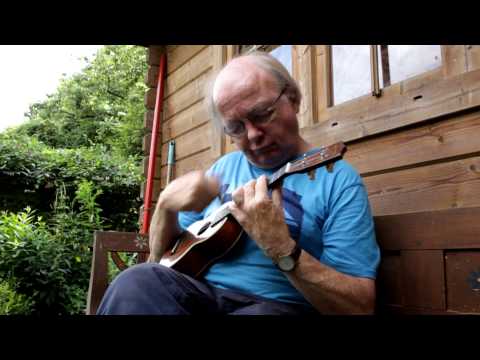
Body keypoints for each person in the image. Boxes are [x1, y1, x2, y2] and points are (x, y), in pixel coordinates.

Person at [97, 51, 380, 315]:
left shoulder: (338, 181)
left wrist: (281, 246)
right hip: (199, 296)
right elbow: (160, 259)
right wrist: (166, 205)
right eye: (235, 127)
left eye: (262, 114)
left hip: (274, 306)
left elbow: (359, 305)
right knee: (135, 281)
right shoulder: (222, 168)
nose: (253, 134)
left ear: (293, 99)